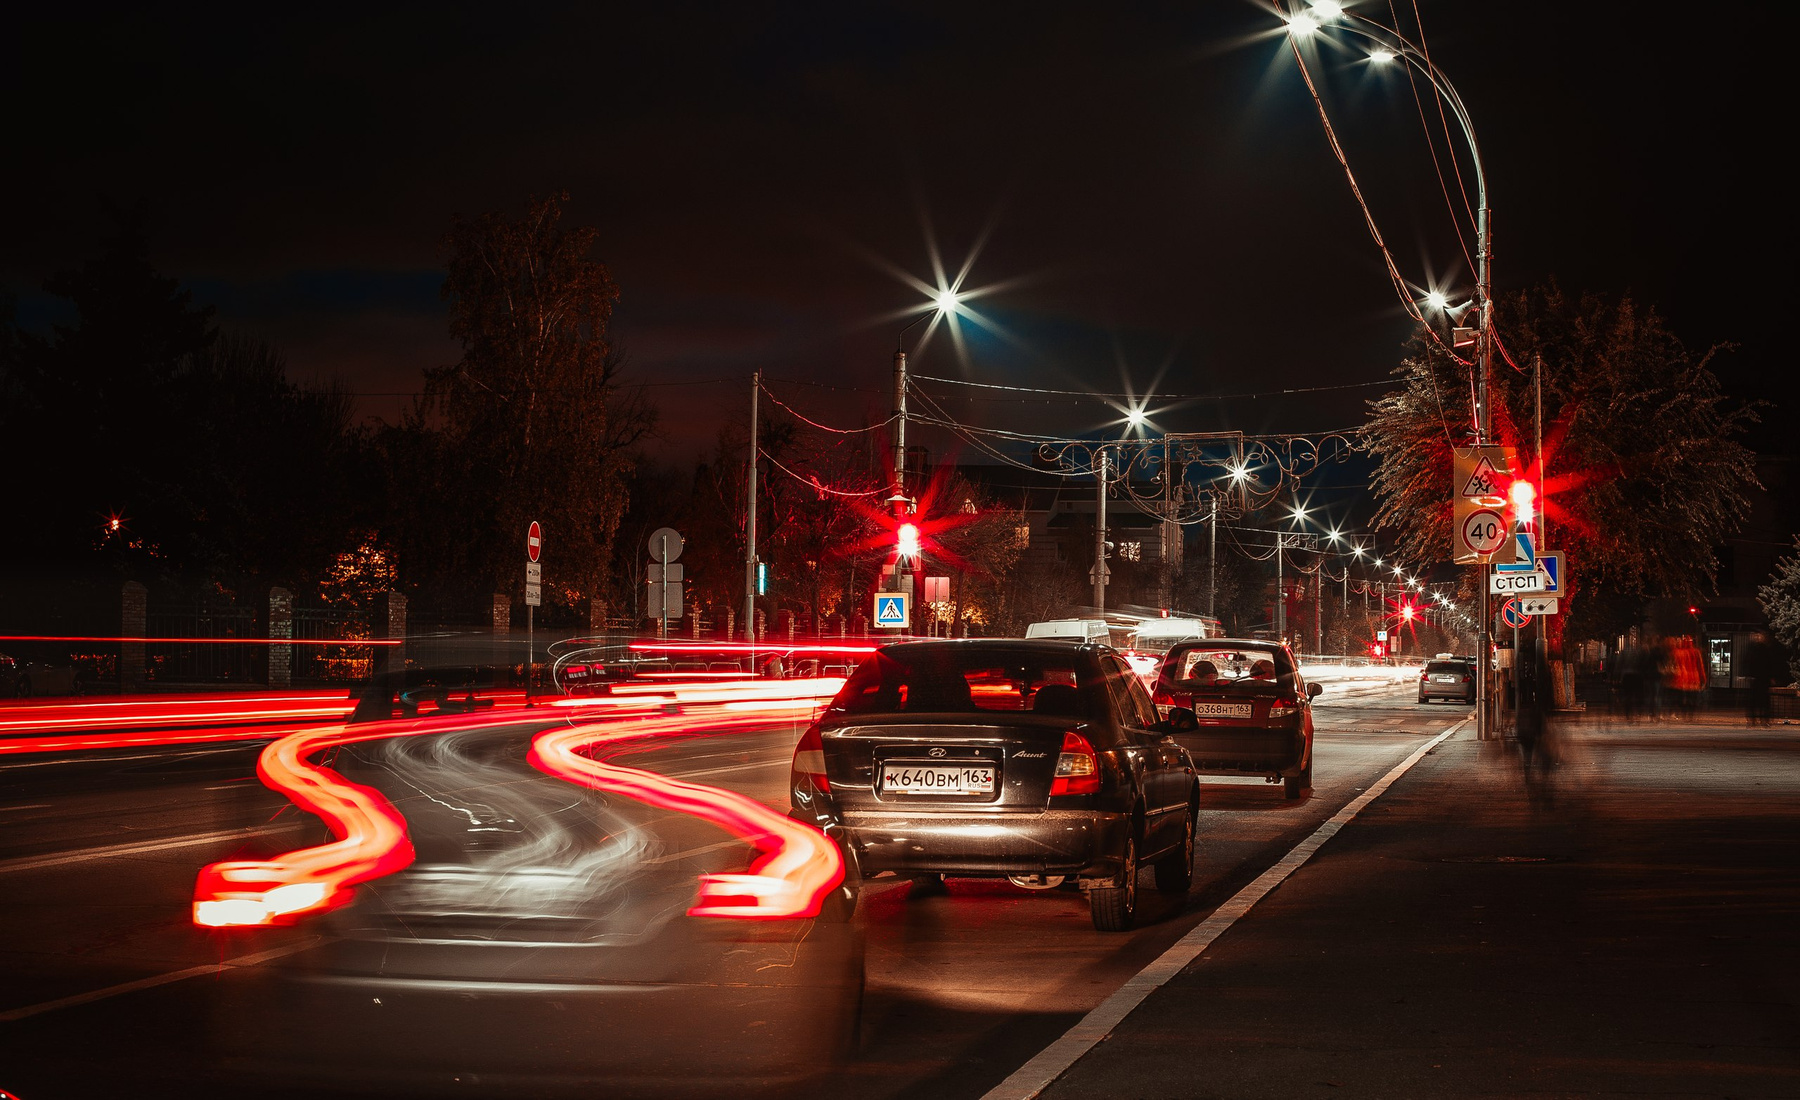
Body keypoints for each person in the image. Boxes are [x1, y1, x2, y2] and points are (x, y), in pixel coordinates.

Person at [1744, 631, 1777, 728]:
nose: (1758, 637)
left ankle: (1763, 720)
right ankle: (1754, 720)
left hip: (1762, 678)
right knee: (1755, 701)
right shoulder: (1754, 648)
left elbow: (1770, 663)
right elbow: (1747, 662)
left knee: (1762, 701)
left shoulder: (1762, 649)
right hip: (1757, 678)